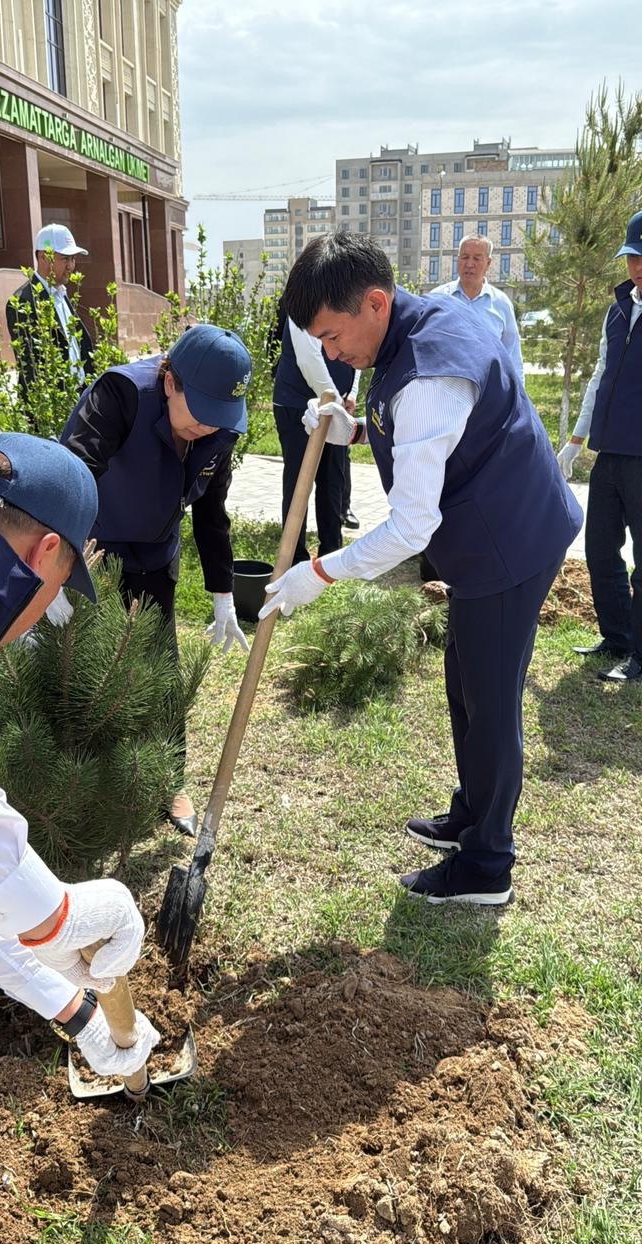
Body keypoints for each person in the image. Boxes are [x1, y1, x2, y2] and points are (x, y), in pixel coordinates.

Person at [260, 231, 582, 906]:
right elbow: (411, 430)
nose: (330, 354)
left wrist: (317, 575)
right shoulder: (408, 326)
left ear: (376, 302)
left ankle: (487, 865)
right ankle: (472, 813)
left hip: (510, 543)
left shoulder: (430, 374)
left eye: (331, 336)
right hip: (488, 531)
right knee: (465, 680)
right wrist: (350, 428)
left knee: (490, 703)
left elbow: (410, 528)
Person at [0, 434, 158, 1079]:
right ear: (45, 550)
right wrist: (55, 914)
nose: (47, 607)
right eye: (58, 587)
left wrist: (75, 1011)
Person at [61, 323, 252, 837]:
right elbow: (73, 475)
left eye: (220, 416)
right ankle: (89, 784)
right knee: (92, 669)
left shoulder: (219, 427)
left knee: (161, 668)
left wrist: (223, 594)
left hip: (156, 549)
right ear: (170, 382)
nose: (208, 427)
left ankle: (169, 782)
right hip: (96, 548)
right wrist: (60, 567)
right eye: (201, 412)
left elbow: (211, 513)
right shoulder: (120, 394)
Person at [557, 210, 642, 682]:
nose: (638, 266)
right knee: (600, 549)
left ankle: (640, 655)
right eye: (633, 256)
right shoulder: (618, 309)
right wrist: (576, 441)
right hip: (609, 454)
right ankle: (617, 637)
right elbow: (599, 375)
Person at [273, 307, 361, 563]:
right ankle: (294, 557)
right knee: (299, 481)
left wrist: (351, 393)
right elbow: (309, 359)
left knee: (333, 479)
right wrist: (335, 400)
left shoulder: (348, 298)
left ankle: (331, 555)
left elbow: (357, 344)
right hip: (296, 403)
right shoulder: (302, 303)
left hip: (337, 402)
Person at [6, 222, 94, 410]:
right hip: (51, 407)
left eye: (73, 259)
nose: (71, 266)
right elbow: (31, 365)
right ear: (43, 257)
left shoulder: (61, 295)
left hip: (77, 399)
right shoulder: (23, 302)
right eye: (65, 259)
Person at [430, 234, 524, 384]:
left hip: (488, 390)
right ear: (458, 259)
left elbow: (512, 357)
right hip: (445, 388)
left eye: (476, 258)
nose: (469, 264)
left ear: (488, 263)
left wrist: (518, 395)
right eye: (465, 257)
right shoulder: (437, 299)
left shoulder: (501, 303)